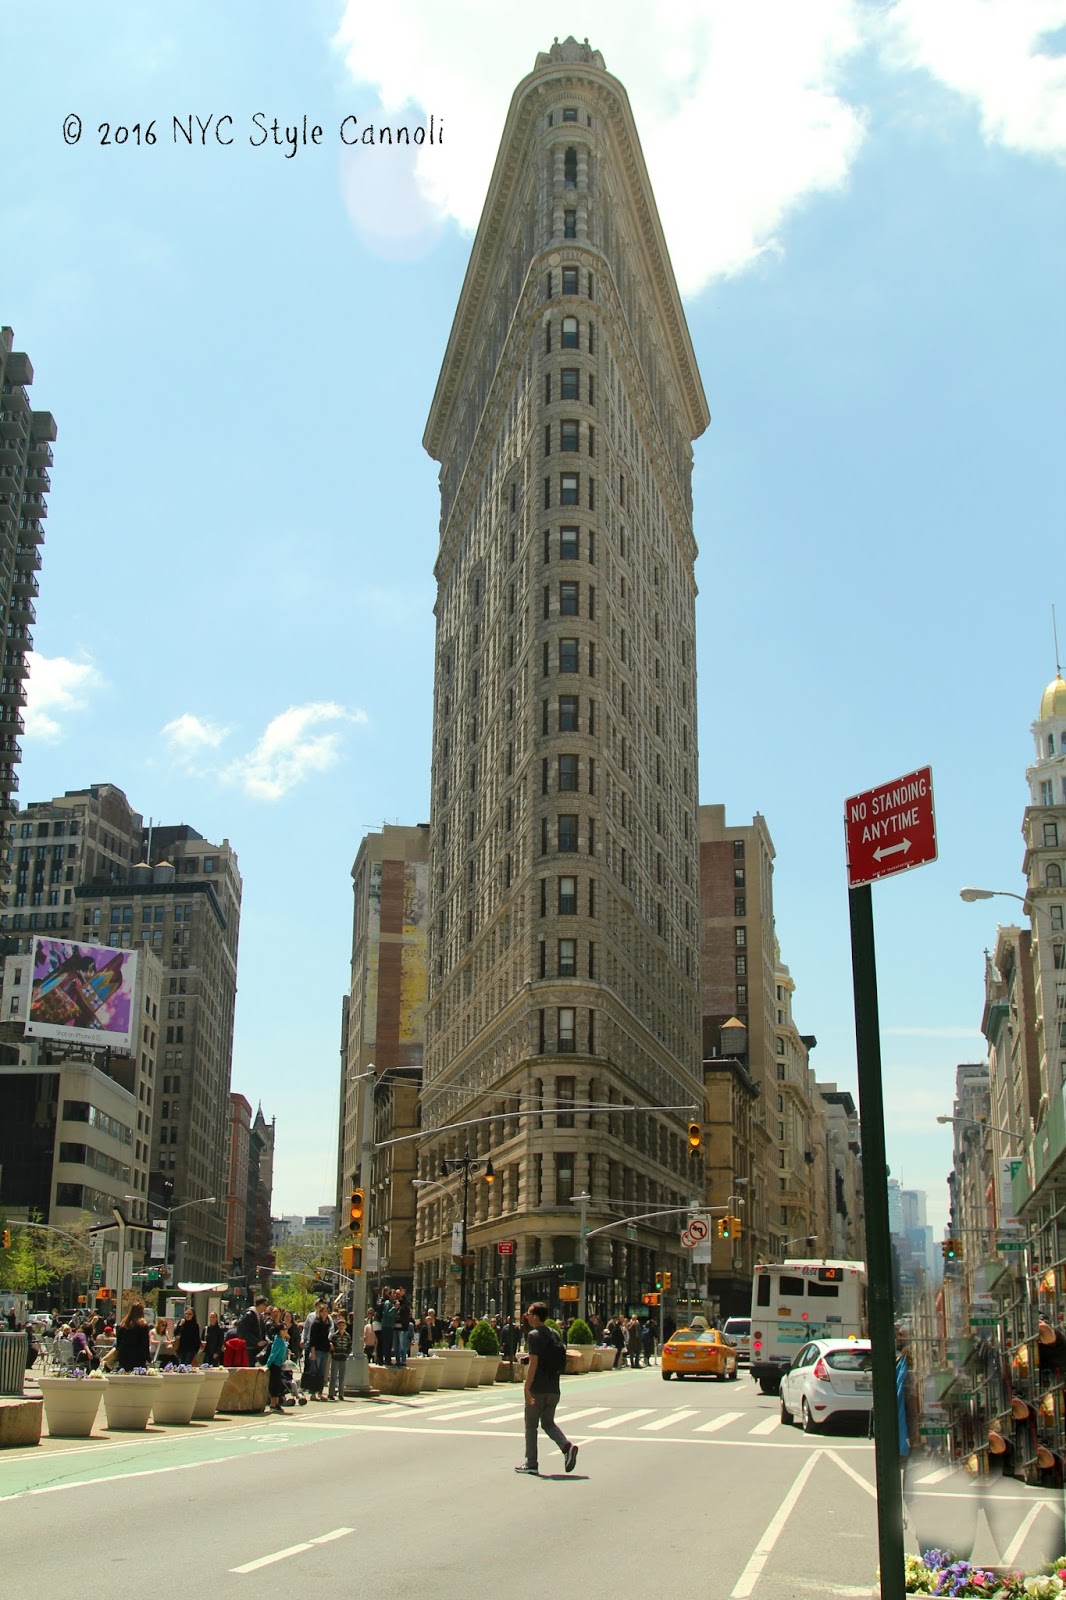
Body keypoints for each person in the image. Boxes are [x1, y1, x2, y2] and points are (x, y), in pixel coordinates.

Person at [516, 1303, 579, 1477]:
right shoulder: (554, 1334)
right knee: (548, 1423)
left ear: (536, 1316)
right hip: (554, 1388)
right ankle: (567, 1447)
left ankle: (531, 1463)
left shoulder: (533, 1335)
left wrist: (527, 1387)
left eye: (529, 1314)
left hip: (538, 1388)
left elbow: (535, 1363)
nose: (527, 1316)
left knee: (531, 1425)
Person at [303, 1303, 331, 1399]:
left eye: (326, 1311)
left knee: (322, 1373)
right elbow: (312, 1338)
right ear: (319, 1312)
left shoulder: (327, 1323)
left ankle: (320, 1392)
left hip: (325, 1350)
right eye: (322, 1311)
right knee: (314, 1372)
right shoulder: (316, 1323)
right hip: (317, 1350)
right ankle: (313, 1393)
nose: (324, 1313)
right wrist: (313, 1352)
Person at [114, 1302, 151, 1371]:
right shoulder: (143, 1325)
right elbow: (145, 1343)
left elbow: (118, 1340)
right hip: (138, 1355)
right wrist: (148, 1357)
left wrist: (118, 1353)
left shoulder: (124, 1324)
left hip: (124, 1354)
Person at [265, 1321, 289, 1412]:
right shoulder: (278, 1341)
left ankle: (275, 1403)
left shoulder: (281, 1340)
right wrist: (267, 1365)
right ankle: (273, 1404)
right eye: (284, 1329)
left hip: (279, 1365)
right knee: (274, 1385)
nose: (286, 1330)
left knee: (277, 1384)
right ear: (279, 1331)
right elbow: (273, 1354)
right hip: (274, 1365)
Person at [328, 1314, 352, 1400]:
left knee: (342, 1376)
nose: (341, 1327)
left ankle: (341, 1394)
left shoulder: (347, 1336)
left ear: (345, 1326)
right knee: (333, 1376)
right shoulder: (334, 1336)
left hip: (343, 1358)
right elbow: (331, 1346)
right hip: (335, 1358)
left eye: (343, 1325)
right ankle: (331, 1393)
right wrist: (333, 1353)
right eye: (340, 1325)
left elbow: (349, 1346)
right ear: (337, 1326)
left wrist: (347, 1354)